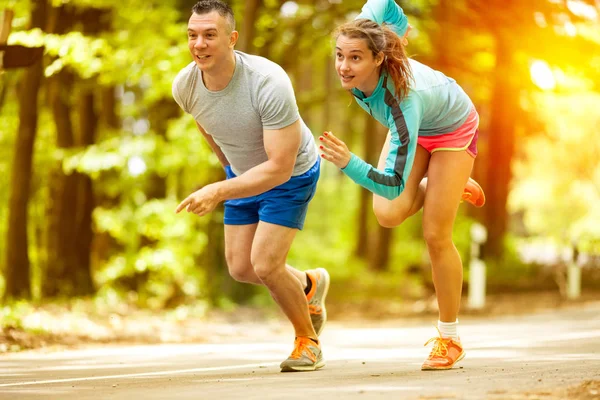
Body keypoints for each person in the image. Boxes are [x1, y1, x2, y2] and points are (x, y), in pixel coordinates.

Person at [319, 0, 486, 370]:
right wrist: (401, 26)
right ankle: (446, 184)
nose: (344, 67)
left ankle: (450, 338)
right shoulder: (368, 28)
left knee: (435, 234)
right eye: (340, 56)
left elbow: (394, 183)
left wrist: (348, 162)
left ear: (377, 59)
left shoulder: (402, 100)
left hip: (450, 127)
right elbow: (383, 3)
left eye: (355, 59)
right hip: (412, 130)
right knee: (387, 214)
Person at [172, 0, 329, 372]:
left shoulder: (267, 82)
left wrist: (217, 190)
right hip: (244, 173)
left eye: (210, 35)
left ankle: (308, 342)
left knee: (266, 264)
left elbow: (278, 168)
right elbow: (205, 122)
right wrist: (228, 168)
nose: (200, 44)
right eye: (193, 35)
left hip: (291, 173)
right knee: (242, 268)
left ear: (232, 38)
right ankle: (308, 286)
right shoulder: (185, 84)